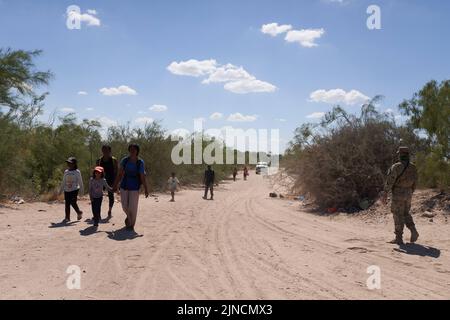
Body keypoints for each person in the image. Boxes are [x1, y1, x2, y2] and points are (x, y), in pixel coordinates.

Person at [382, 146, 419, 245]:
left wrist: (385, 192)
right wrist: (410, 191)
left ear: (400, 155)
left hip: (398, 193)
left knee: (397, 215)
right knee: (406, 213)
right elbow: (415, 182)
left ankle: (398, 238)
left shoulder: (396, 167)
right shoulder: (413, 167)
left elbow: (390, 181)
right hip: (408, 193)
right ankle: (413, 230)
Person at [113, 144, 149, 232]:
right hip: (124, 185)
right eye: (131, 149)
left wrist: (146, 188)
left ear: (137, 151)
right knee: (124, 206)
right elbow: (120, 174)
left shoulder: (140, 162)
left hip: (135, 186)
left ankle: (131, 224)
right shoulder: (124, 160)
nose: (132, 151)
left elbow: (142, 176)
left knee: (133, 207)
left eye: (134, 149)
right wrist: (115, 185)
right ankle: (129, 218)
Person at [96, 145, 118, 218]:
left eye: (106, 150)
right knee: (98, 196)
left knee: (111, 196)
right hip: (101, 181)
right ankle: (97, 213)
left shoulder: (114, 160)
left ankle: (109, 210)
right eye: (103, 150)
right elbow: (96, 171)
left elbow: (116, 172)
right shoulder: (99, 160)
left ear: (110, 151)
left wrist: (116, 183)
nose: (105, 152)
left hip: (111, 180)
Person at [59, 157, 84, 223]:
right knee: (67, 204)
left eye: (70, 163)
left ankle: (79, 212)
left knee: (73, 202)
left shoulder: (77, 172)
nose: (69, 164)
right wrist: (60, 190)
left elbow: (80, 181)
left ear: (74, 164)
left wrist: (82, 191)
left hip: (74, 189)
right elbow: (63, 181)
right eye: (68, 163)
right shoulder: (66, 172)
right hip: (66, 190)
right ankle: (67, 217)